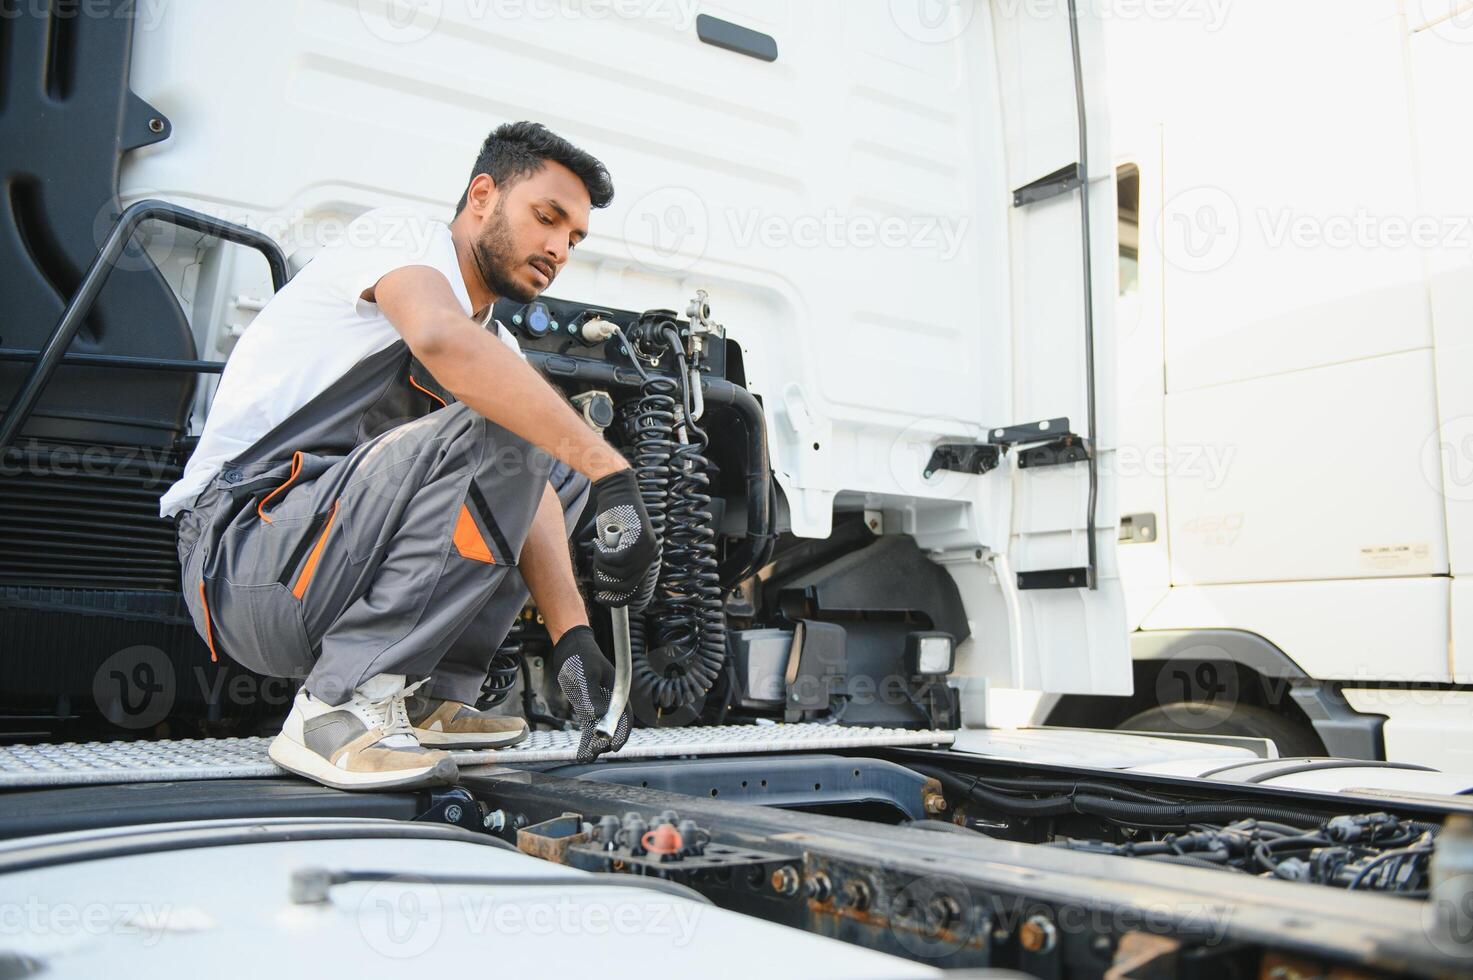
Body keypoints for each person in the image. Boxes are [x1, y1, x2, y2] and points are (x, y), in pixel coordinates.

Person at [162, 122, 658, 790]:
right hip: (245, 553)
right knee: (512, 424)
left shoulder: (493, 344)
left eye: (573, 237)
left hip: (317, 566)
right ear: (481, 195)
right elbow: (437, 335)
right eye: (547, 218)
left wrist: (574, 637)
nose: (557, 248)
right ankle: (334, 711)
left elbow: (530, 490)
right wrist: (612, 469)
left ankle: (420, 695)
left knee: (544, 462)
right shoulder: (397, 239)